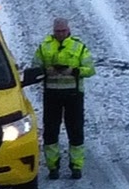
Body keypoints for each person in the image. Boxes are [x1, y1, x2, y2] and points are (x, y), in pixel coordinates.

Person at [35, 15, 95, 179]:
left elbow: (90, 69)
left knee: (75, 130)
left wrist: (74, 71)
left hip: (73, 95)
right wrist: (46, 71)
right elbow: (35, 68)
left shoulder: (79, 47)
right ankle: (52, 167)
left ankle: (76, 166)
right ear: (53, 31)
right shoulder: (44, 47)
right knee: (50, 132)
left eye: (63, 31)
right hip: (52, 95)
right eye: (57, 31)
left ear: (68, 30)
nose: (60, 34)